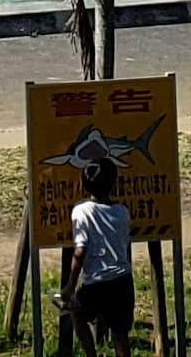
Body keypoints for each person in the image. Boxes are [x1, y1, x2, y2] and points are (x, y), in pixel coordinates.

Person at [62, 151, 135, 356]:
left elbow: (80, 251)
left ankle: (91, 354)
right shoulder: (122, 211)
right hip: (122, 280)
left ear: (85, 184)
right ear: (113, 183)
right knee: (120, 335)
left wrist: (70, 285)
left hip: (97, 281)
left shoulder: (82, 211)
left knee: (77, 312)